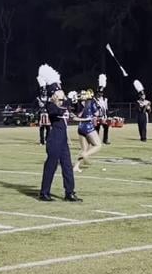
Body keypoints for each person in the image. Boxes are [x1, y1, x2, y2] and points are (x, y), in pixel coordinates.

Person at [37, 64, 81, 202]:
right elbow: (58, 111)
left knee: (67, 165)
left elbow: (77, 110)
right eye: (59, 91)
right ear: (54, 94)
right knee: (51, 165)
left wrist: (76, 100)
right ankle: (44, 192)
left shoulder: (63, 102)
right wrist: (67, 102)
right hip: (55, 137)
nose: (61, 91)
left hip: (63, 139)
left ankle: (70, 192)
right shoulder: (50, 105)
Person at [74, 90, 103, 172]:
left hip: (80, 127)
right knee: (98, 145)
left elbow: (78, 115)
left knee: (84, 149)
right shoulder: (91, 102)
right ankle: (85, 155)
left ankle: (76, 166)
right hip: (88, 127)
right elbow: (97, 113)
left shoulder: (80, 103)